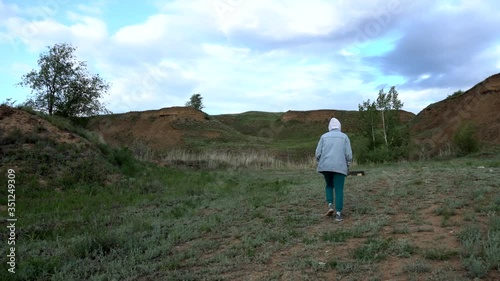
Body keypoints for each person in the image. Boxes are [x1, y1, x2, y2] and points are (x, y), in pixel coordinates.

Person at [315, 117, 352, 222]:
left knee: (329, 185)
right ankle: (338, 214)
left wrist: (320, 162)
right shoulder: (344, 137)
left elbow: (318, 153)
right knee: (339, 189)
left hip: (325, 166)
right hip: (340, 166)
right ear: (339, 126)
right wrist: (347, 165)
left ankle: (330, 205)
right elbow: (348, 154)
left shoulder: (323, 137)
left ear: (329, 127)